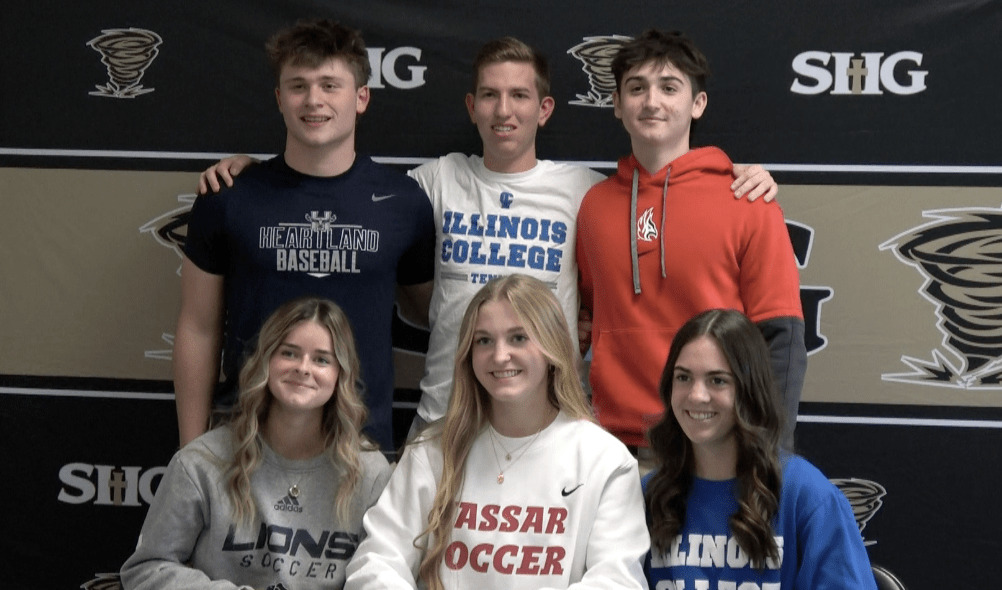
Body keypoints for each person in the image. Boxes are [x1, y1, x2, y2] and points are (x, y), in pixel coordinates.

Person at [198, 36, 778, 438]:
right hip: (443, 419)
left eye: (520, 96)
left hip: (551, 422)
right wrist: (253, 172)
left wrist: (738, 175)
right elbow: (341, 186)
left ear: (544, 109)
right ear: (471, 107)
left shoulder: (588, 193)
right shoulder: (430, 184)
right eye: (491, 96)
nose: (505, 111)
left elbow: (655, 203)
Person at [175, 18, 436, 452]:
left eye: (330, 85)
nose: (313, 100)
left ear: (361, 97)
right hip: (246, 443)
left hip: (358, 446)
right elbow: (198, 329)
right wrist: (191, 452)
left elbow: (432, 312)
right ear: (280, 99)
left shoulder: (403, 202)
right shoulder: (229, 197)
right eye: (298, 86)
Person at [576, 30, 806, 457]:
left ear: (697, 104)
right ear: (617, 105)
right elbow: (588, 320)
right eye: (636, 88)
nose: (651, 101)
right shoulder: (593, 207)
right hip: (610, 447)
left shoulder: (747, 200)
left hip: (712, 445)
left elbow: (781, 339)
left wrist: (769, 456)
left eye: (669, 88)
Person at [343, 274, 649, 590]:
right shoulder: (433, 451)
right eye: (484, 341)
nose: (500, 356)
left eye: (518, 338)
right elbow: (374, 564)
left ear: (552, 347)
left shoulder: (605, 461)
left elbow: (616, 581)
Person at [121, 297, 393, 590]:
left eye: (321, 359)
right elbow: (146, 569)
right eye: (289, 353)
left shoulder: (370, 473)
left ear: (341, 374)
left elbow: (386, 574)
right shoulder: (201, 462)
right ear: (265, 360)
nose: (303, 368)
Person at [644, 308, 875, 589]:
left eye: (717, 380)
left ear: (749, 390)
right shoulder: (649, 495)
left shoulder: (806, 495)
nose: (696, 395)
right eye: (683, 377)